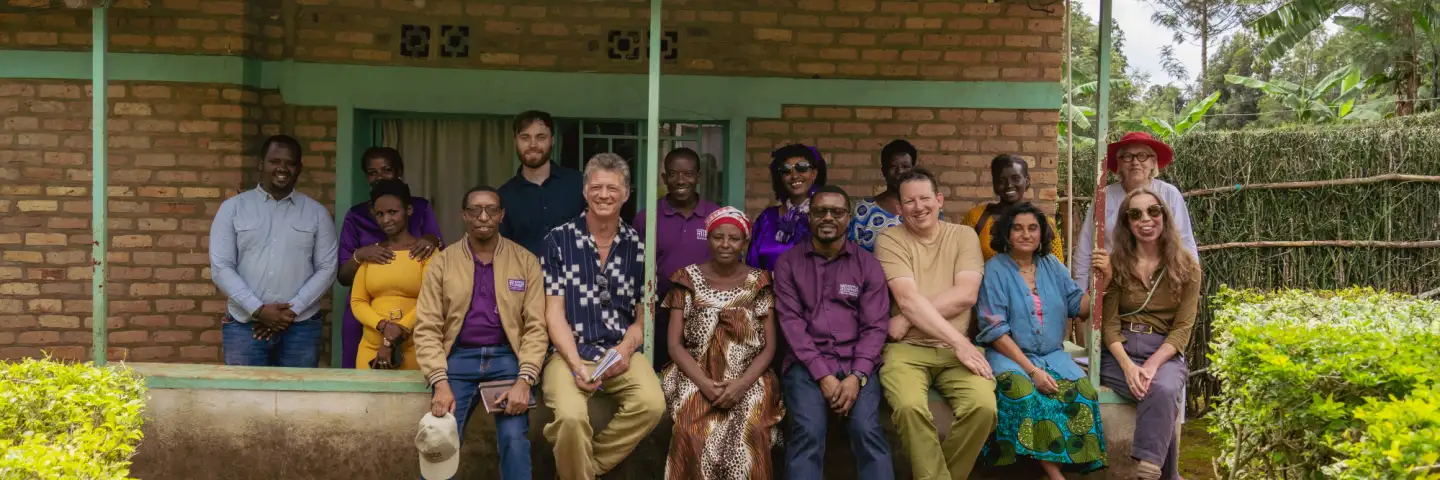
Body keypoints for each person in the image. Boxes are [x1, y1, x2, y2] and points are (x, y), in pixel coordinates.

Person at [540, 153, 664, 480]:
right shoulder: (558, 240)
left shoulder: (639, 247)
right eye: (596, 187)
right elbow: (554, 314)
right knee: (569, 418)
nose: (604, 195)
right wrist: (576, 363)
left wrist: (624, 351)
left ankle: (585, 469)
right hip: (569, 351)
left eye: (612, 188)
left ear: (626, 193)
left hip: (618, 349)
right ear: (584, 191)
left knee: (652, 404)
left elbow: (643, 317)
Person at [413, 185, 549, 480]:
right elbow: (427, 327)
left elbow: (537, 327)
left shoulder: (524, 261)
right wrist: (439, 381)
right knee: (440, 437)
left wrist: (525, 380)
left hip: (506, 359)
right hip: (458, 361)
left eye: (491, 210)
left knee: (514, 439)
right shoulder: (443, 262)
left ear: (501, 215)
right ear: (464, 215)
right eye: (475, 210)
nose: (483, 216)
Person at [874, 167, 996, 480]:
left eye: (925, 198)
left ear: (939, 200)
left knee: (984, 408)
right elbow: (908, 299)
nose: (919, 206)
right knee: (909, 408)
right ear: (899, 208)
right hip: (907, 351)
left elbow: (966, 295)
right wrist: (959, 341)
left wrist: (907, 319)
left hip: (954, 353)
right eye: (909, 201)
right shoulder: (889, 239)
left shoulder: (963, 236)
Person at [974, 203, 1109, 478]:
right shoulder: (995, 270)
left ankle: (1058, 466)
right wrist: (1032, 371)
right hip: (1010, 356)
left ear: (1042, 233)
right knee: (1024, 393)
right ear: (1006, 233)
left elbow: (1080, 307)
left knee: (1083, 390)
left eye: (1033, 228)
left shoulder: (1052, 266)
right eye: (1018, 228)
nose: (1026, 234)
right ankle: (1053, 474)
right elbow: (995, 331)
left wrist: (1102, 282)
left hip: (1053, 356)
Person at [773, 186, 894, 479]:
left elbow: (876, 326)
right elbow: (791, 325)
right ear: (810, 216)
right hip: (806, 365)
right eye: (820, 211)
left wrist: (857, 376)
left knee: (867, 430)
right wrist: (823, 376)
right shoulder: (789, 263)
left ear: (848, 218)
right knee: (808, 431)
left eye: (837, 212)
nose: (828, 217)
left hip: (858, 362)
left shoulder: (868, 265)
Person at [660, 207, 784, 480]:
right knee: (690, 432)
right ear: (708, 238)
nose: (726, 244)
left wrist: (740, 386)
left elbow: (769, 348)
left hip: (750, 375)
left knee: (749, 432)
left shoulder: (760, 281)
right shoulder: (686, 279)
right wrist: (704, 383)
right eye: (718, 237)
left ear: (745, 243)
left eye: (734, 238)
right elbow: (674, 345)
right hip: (695, 371)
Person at [1100, 188, 1201, 480]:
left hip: (1163, 351)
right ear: (1127, 223)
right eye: (1135, 214)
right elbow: (1108, 325)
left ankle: (1148, 470)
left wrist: (1151, 365)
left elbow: (1183, 327)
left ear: (1164, 216)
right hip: (1119, 351)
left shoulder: (1187, 267)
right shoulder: (1115, 264)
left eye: (1153, 211)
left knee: (1164, 387)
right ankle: (1166, 475)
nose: (1145, 219)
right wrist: (1129, 367)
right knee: (1157, 391)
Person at [210, 134, 338, 367]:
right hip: (244, 326)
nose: (282, 168)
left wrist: (289, 312)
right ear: (261, 165)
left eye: (290, 163)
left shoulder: (317, 213)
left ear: (299, 168)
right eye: (275, 161)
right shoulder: (232, 209)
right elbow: (221, 267)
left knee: (298, 399)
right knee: (244, 399)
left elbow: (327, 268)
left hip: (301, 328)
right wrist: (258, 310)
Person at [337, 147, 443, 368]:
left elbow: (435, 285)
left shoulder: (420, 208)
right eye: (372, 172)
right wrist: (360, 255)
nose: (379, 177)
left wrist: (432, 239)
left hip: (414, 326)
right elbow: (344, 277)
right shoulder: (356, 216)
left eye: (386, 170)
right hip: (367, 317)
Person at [634, 147, 721, 370]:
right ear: (664, 178)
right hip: (660, 314)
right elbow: (636, 267)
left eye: (688, 174)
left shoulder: (715, 215)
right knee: (661, 375)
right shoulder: (647, 217)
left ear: (698, 177)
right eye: (673, 174)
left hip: (707, 314)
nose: (680, 180)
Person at [1073, 132, 1197, 290]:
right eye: (1127, 156)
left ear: (1153, 162)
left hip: (1160, 285)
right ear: (1119, 163)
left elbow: (1185, 242)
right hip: (1111, 284)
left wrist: (1190, 287)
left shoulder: (1169, 194)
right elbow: (1086, 247)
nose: (1135, 162)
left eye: (1142, 156)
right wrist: (1081, 296)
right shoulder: (1104, 197)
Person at [349, 179, 430, 370]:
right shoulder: (373, 253)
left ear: (408, 210)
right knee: (368, 400)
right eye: (380, 214)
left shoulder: (426, 253)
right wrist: (384, 326)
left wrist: (398, 330)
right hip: (370, 348)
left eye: (393, 212)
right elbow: (358, 301)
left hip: (415, 347)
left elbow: (432, 300)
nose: (386, 219)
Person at [498, 110, 587, 257]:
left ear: (552, 140)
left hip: (574, 278)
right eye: (525, 137)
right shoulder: (503, 196)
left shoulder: (579, 184)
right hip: (526, 278)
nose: (533, 145)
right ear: (515, 141)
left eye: (541, 137)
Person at [963, 154, 1065, 262]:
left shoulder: (1043, 222)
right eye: (1001, 180)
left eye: (1015, 178)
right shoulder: (976, 218)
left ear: (1027, 181)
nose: (1009, 185)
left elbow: (1057, 270)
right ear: (994, 184)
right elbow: (959, 256)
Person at [747, 143, 828, 271]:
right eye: (786, 170)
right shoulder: (767, 219)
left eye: (802, 168)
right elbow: (752, 267)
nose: (794, 175)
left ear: (814, 173)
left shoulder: (826, 217)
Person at [848, 139, 919, 252]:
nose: (899, 171)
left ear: (914, 170)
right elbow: (851, 252)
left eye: (905, 166)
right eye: (893, 166)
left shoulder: (926, 208)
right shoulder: (864, 209)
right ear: (884, 171)